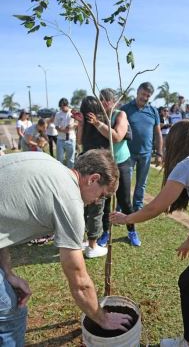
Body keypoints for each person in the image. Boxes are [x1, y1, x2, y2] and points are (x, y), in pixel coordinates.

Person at [111, 119, 189, 347]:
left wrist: (126, 218)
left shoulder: (187, 164)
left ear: (177, 143)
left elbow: (155, 207)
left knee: (188, 283)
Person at [0, 149, 132, 346]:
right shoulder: (69, 200)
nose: (98, 201)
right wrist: (102, 318)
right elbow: (78, 279)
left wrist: (7, 272)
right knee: (10, 315)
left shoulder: (47, 162)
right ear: (93, 179)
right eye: (102, 195)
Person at [86, 88, 141, 247]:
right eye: (100, 100)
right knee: (105, 201)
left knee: (124, 200)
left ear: (113, 101)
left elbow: (116, 137)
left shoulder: (120, 114)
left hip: (122, 162)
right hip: (105, 164)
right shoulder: (98, 115)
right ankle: (105, 232)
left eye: (106, 100)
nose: (103, 103)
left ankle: (131, 231)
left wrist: (97, 123)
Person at [75, 96, 111, 258]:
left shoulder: (90, 123)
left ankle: (80, 241)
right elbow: (113, 138)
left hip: (83, 165)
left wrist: (82, 124)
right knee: (96, 208)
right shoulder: (102, 122)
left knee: (81, 206)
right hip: (98, 166)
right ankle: (92, 246)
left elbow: (79, 142)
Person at [121, 82, 163, 212]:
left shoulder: (153, 111)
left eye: (148, 96)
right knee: (125, 182)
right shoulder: (125, 109)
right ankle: (122, 206)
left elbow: (158, 132)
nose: (145, 98)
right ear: (138, 92)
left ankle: (138, 206)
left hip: (146, 153)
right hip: (128, 153)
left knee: (141, 183)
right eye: (143, 94)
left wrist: (160, 153)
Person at [54, 98, 77, 168]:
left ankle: (70, 174)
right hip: (60, 139)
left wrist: (73, 125)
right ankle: (60, 173)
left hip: (71, 139)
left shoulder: (73, 112)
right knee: (59, 158)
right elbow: (56, 126)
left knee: (70, 159)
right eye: (60, 107)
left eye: (62, 106)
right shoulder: (58, 114)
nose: (61, 108)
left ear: (67, 105)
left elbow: (78, 122)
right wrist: (62, 130)